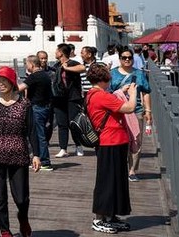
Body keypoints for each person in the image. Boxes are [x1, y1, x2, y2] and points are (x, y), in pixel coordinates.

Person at [0, 66, 39, 237]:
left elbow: (32, 130)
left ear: (12, 82)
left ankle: (23, 218)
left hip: (19, 154)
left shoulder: (24, 104)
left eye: (4, 81)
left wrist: (36, 154)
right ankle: (5, 230)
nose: (1, 84)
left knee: (21, 198)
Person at [86, 63, 136, 233]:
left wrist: (121, 90)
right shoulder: (101, 96)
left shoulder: (93, 94)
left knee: (115, 181)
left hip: (114, 141)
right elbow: (129, 108)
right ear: (103, 79)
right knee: (107, 182)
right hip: (109, 141)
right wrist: (133, 94)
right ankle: (99, 218)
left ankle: (110, 215)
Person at [110, 47, 151, 182]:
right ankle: (120, 168)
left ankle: (132, 170)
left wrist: (148, 111)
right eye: (124, 58)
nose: (127, 60)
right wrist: (121, 91)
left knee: (136, 141)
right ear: (120, 59)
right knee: (120, 141)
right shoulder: (112, 74)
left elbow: (146, 92)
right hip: (119, 112)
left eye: (130, 57)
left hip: (136, 111)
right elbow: (108, 93)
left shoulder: (139, 74)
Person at [50, 43, 85, 158]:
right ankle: (63, 148)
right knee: (62, 124)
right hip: (58, 98)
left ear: (61, 53)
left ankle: (78, 145)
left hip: (72, 98)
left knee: (73, 123)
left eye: (57, 51)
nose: (55, 53)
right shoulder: (56, 66)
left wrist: (67, 68)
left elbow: (82, 68)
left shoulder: (72, 63)